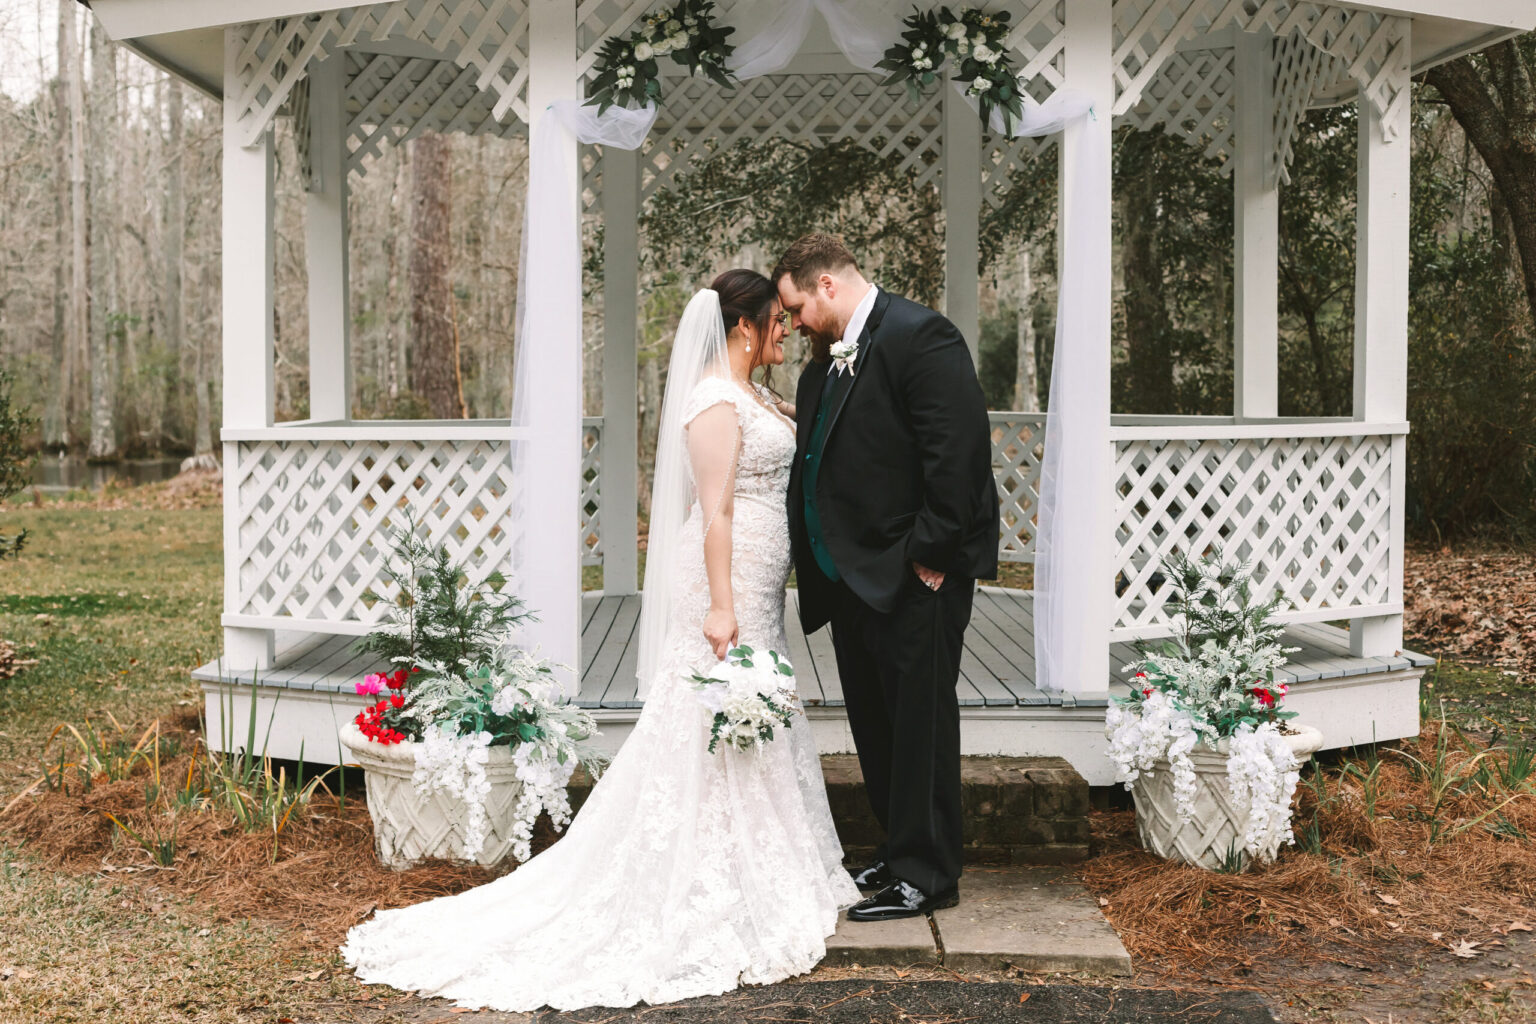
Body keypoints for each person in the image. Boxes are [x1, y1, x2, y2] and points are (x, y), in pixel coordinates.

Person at [341, 269, 859, 1012]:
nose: (786, 329)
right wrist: (720, 606)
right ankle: (707, 867)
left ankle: (760, 857)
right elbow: (714, 513)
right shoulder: (714, 400)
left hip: (759, 577)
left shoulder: (753, 393)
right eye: (777, 318)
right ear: (743, 325)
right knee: (711, 709)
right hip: (726, 579)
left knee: (748, 706)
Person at [774, 234, 998, 922]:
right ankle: (900, 852)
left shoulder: (919, 335)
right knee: (875, 722)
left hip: (913, 572)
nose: (795, 324)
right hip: (853, 578)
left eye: (797, 308)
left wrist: (931, 554)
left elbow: (956, 453)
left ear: (828, 287)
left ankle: (928, 876)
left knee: (918, 724)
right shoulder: (823, 367)